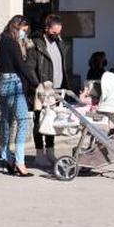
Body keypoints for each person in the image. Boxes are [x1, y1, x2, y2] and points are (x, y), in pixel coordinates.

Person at [30, 14, 73, 169]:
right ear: (46, 28)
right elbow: (30, 67)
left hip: (56, 89)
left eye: (59, 32)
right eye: (54, 32)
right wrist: (37, 85)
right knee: (39, 121)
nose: (57, 35)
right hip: (42, 90)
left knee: (51, 121)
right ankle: (39, 154)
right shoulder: (37, 44)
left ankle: (50, 151)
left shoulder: (59, 43)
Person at [0, 15, 34, 175]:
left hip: (1, 84)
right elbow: (22, 66)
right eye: (23, 31)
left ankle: (6, 159)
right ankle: (20, 162)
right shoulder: (12, 43)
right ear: (17, 27)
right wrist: (35, 82)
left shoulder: (1, 40)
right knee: (23, 122)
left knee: (6, 123)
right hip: (13, 85)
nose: (24, 34)